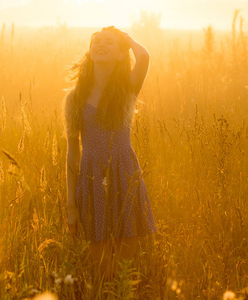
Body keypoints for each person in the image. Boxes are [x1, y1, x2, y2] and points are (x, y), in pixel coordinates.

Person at [63, 26, 158, 285]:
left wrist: (125, 38)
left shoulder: (127, 89)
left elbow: (145, 57)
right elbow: (72, 156)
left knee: (125, 271)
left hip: (125, 174)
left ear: (120, 54)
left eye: (108, 42)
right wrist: (71, 205)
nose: (100, 44)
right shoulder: (75, 98)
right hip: (92, 180)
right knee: (101, 271)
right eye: (96, 41)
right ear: (89, 51)